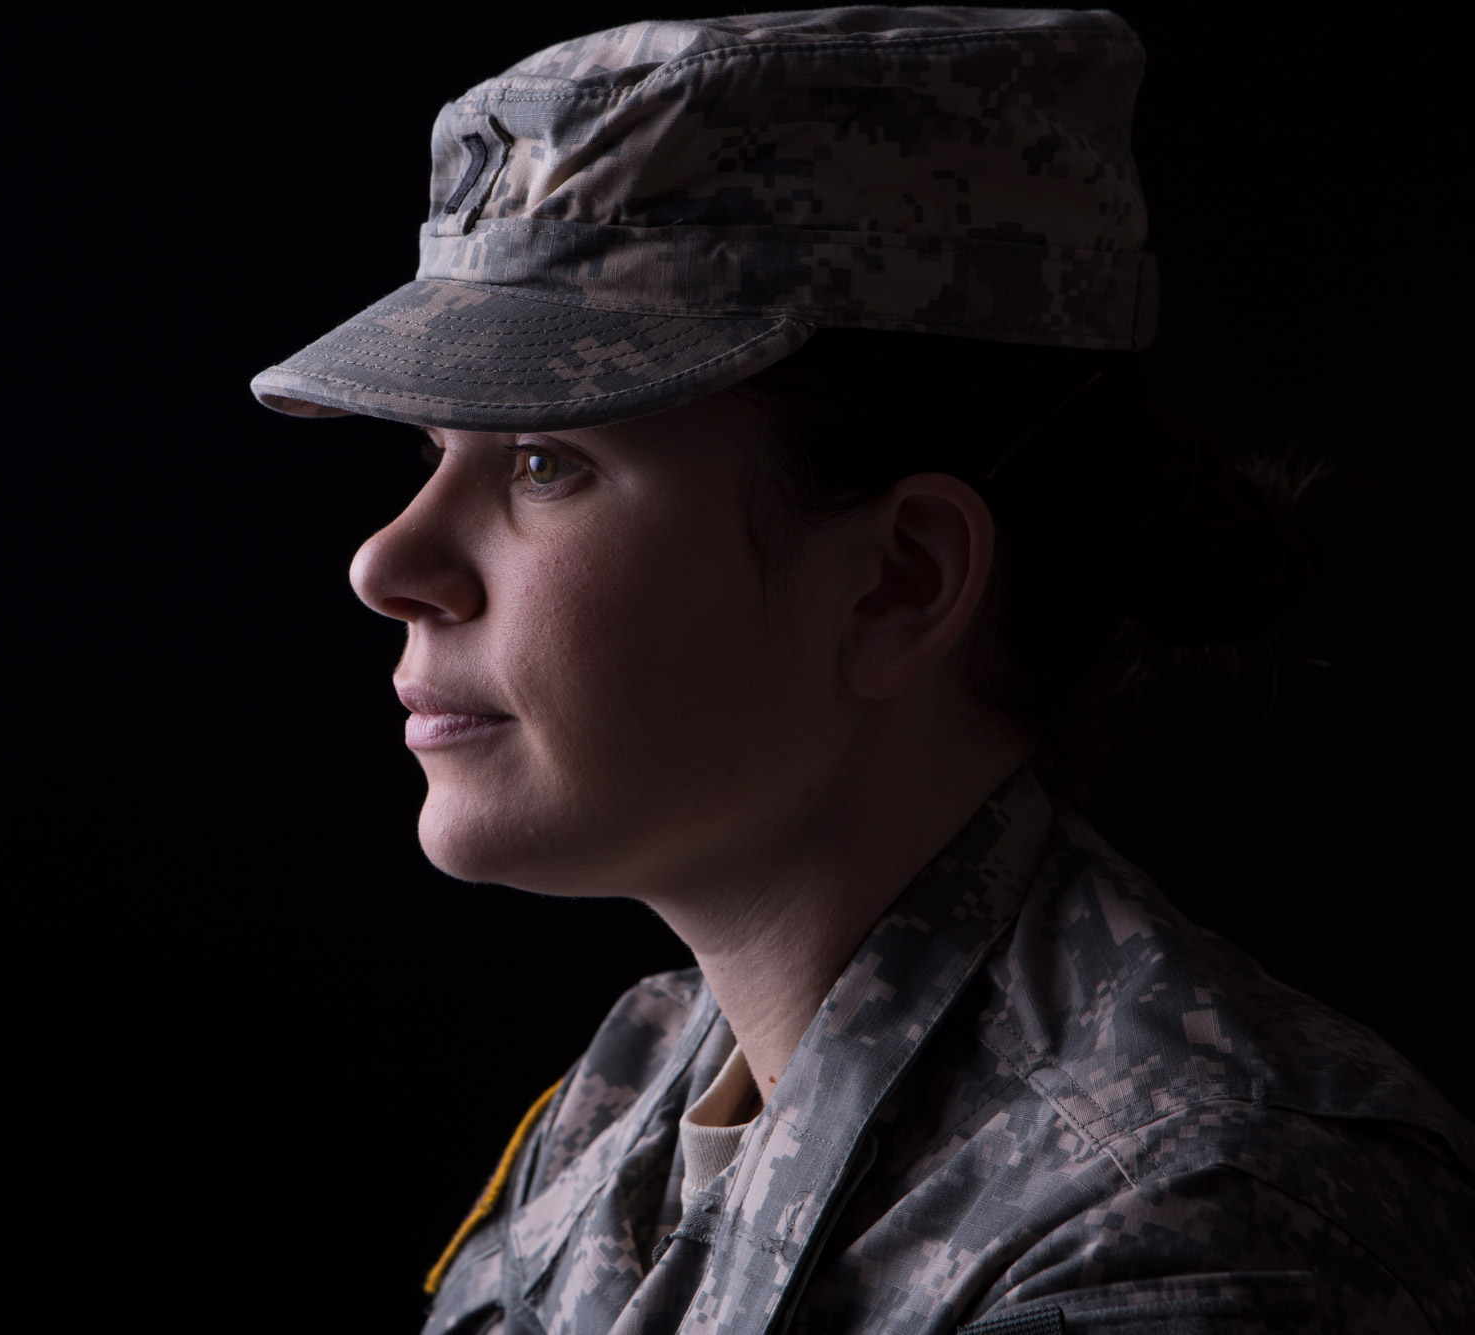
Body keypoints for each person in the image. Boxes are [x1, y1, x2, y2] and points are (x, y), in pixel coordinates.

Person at [250, 9, 1475, 1333]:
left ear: (900, 581)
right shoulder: (631, 1094)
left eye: (548, 463)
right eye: (430, 454)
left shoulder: (1186, 1224)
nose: (387, 560)